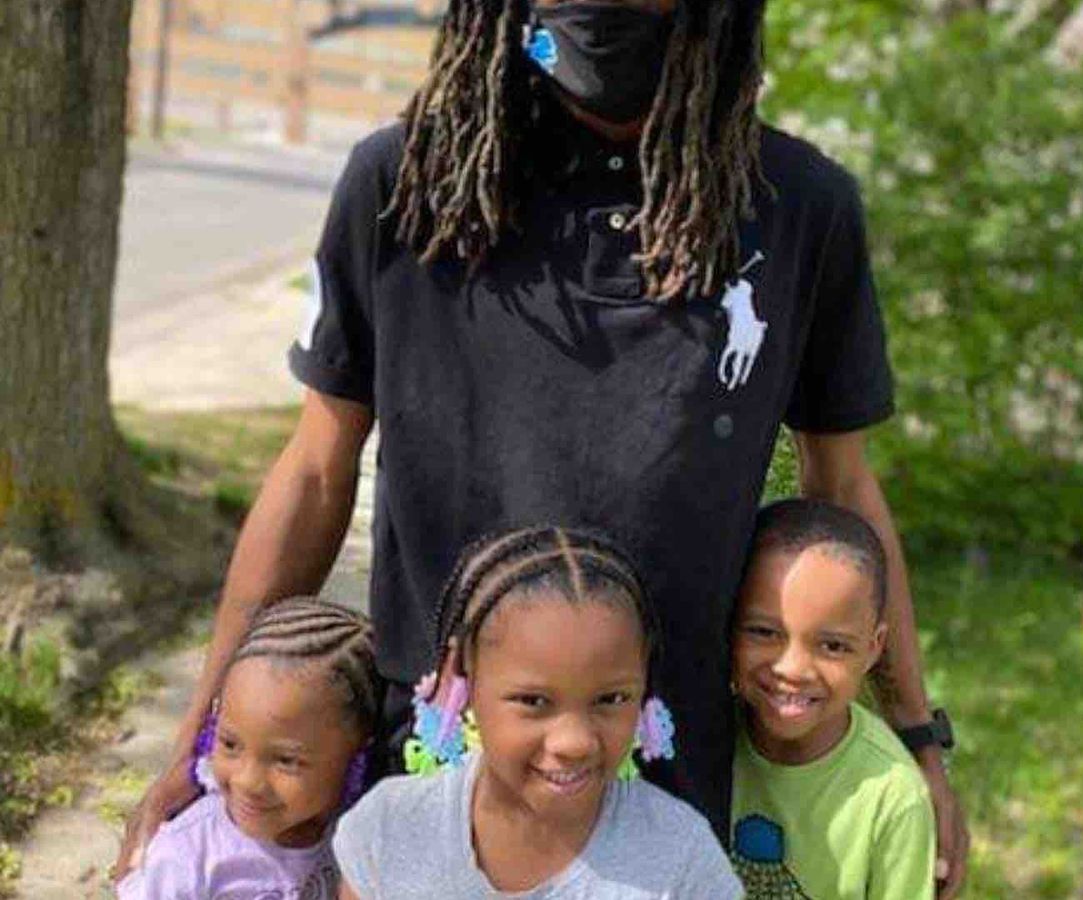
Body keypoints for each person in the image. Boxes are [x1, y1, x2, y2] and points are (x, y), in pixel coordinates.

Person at [116, 0, 967, 894]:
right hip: (436, 762)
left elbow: (843, 494)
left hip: (660, 777)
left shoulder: (799, 210)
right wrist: (196, 742)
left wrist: (916, 738)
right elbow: (315, 472)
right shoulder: (402, 186)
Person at [334, 526, 743, 898]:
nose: (575, 742)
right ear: (463, 676)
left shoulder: (681, 859)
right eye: (533, 701)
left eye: (611, 699)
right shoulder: (388, 832)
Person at [730, 498, 934, 899]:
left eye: (833, 646)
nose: (793, 669)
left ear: (874, 648)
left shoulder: (894, 797)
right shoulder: (697, 744)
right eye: (764, 632)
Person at [116, 598, 381, 899]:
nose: (248, 782)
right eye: (230, 744)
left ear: (358, 750)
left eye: (286, 760)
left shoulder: (359, 837)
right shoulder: (186, 856)